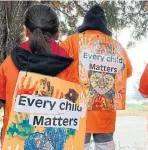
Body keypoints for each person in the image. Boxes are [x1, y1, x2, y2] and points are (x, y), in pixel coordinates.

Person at [60, 5, 132, 150]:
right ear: (104, 25)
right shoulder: (116, 46)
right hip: (105, 113)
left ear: (85, 23)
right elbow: (127, 72)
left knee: (79, 145)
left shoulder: (72, 41)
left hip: (77, 110)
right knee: (105, 145)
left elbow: (57, 66)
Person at [0, 4, 75, 143]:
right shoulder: (69, 66)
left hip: (15, 142)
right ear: (57, 33)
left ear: (26, 31)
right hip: (56, 143)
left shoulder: (8, 64)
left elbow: (2, 99)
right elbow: (76, 105)